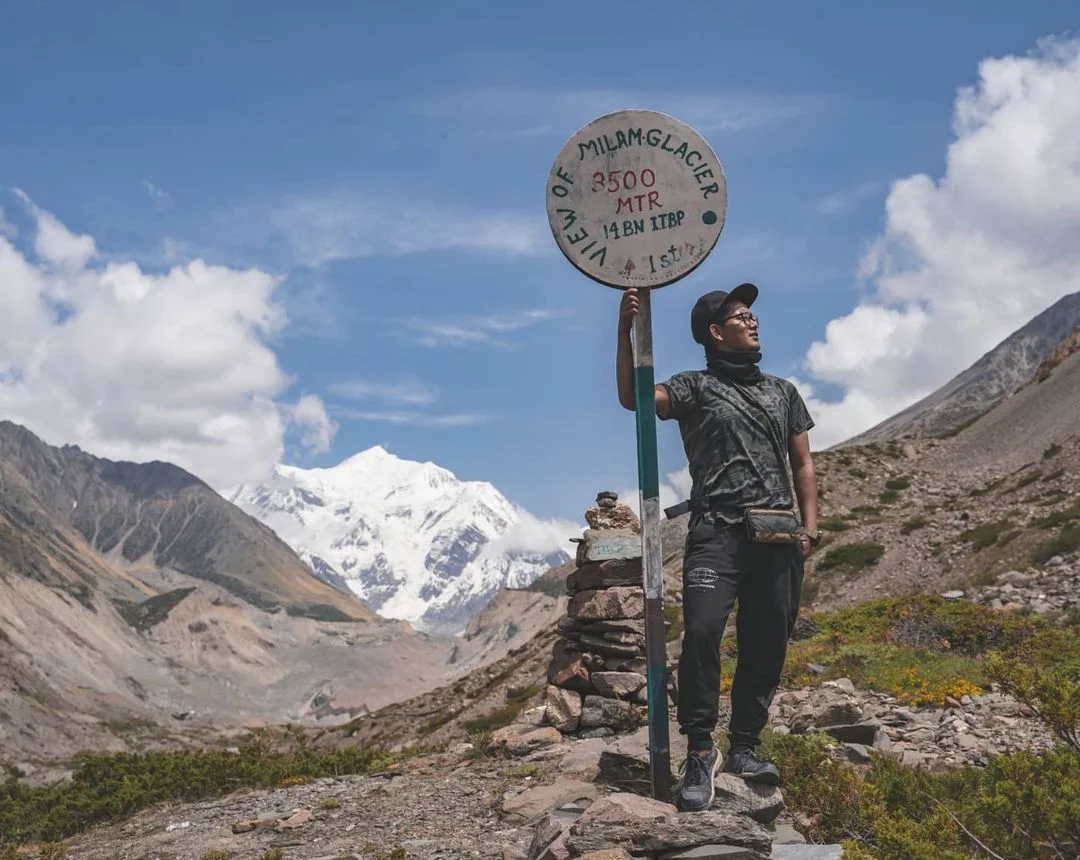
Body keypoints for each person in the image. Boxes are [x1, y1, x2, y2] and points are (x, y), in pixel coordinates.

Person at [615, 283, 819, 812]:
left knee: (766, 641)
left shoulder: (783, 392)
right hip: (715, 532)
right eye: (741, 315)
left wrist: (810, 528)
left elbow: (803, 464)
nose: (752, 321)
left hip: (777, 535)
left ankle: (746, 746)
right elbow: (633, 399)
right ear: (714, 331)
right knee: (704, 631)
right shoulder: (694, 388)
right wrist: (625, 331)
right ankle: (700, 750)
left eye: (753, 314)